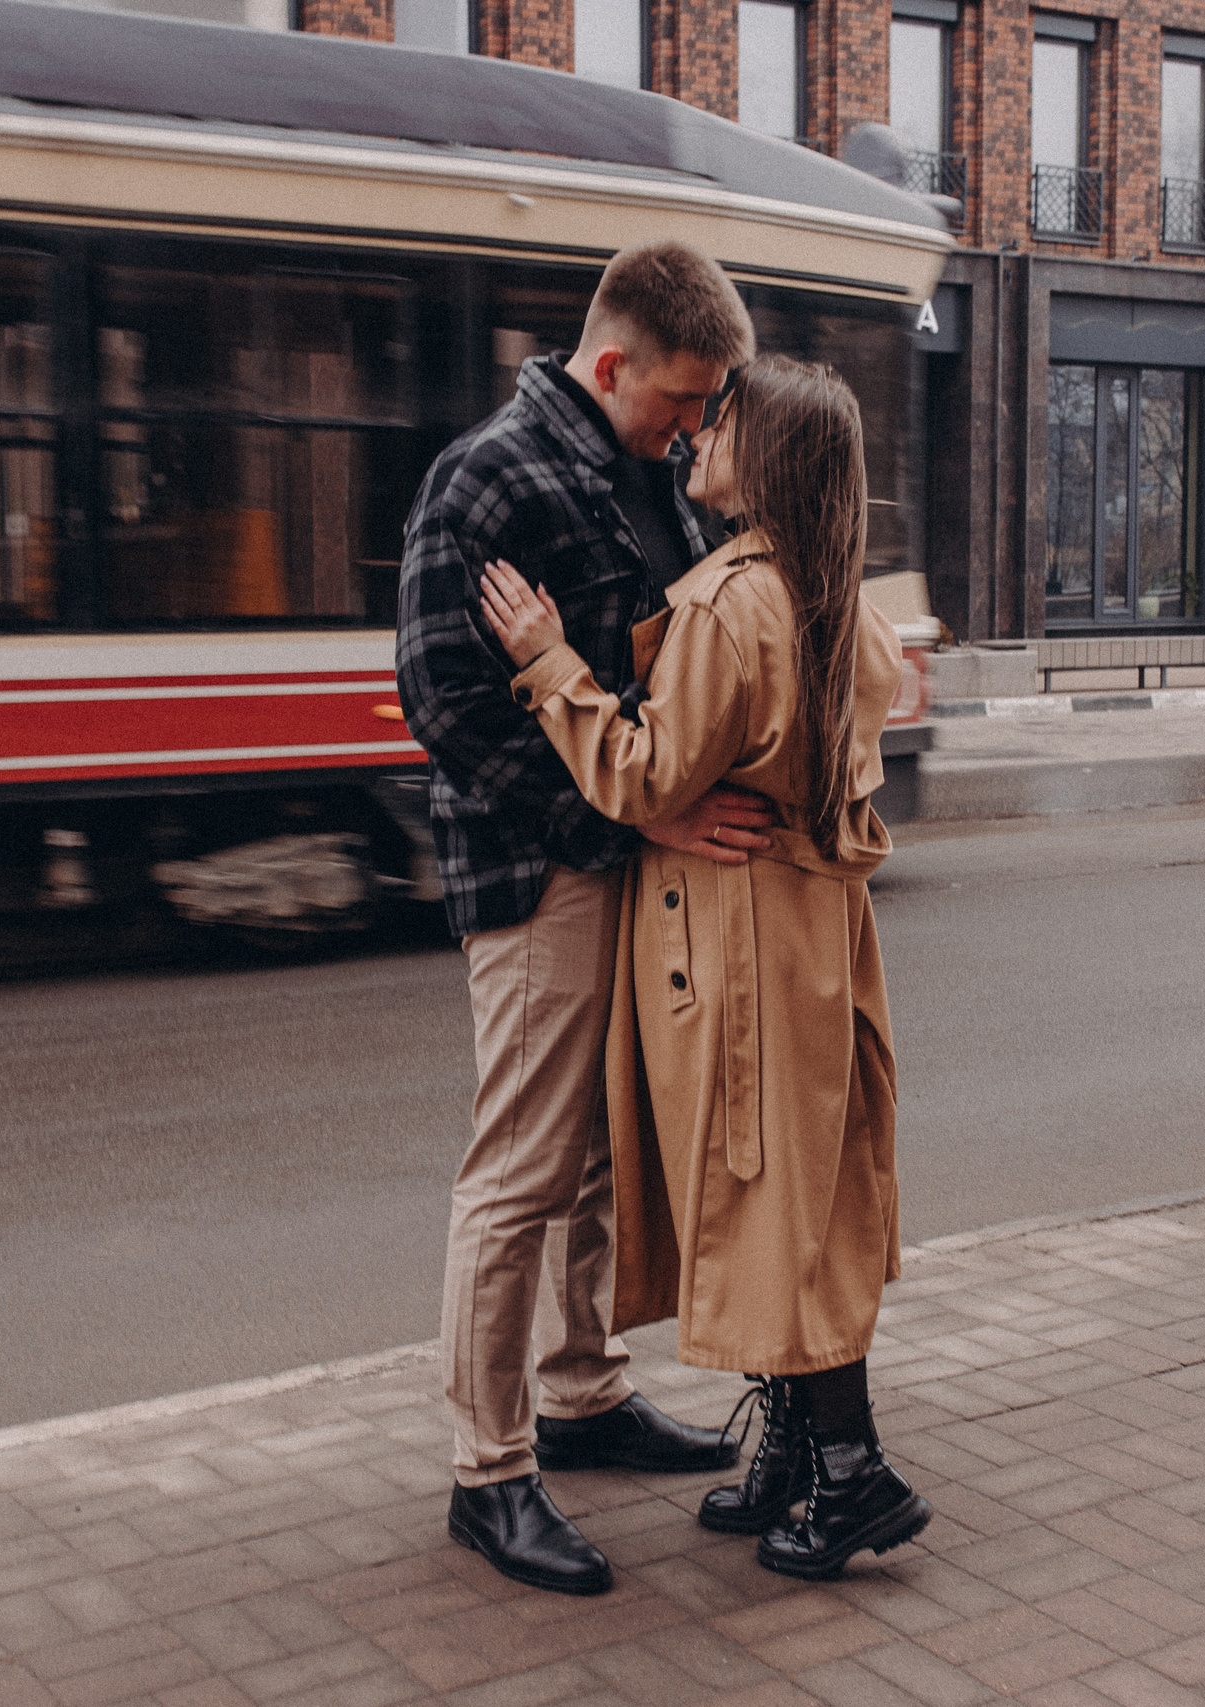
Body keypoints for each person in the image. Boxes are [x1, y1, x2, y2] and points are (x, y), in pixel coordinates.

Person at [475, 354, 931, 1581]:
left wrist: (549, 662)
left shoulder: (732, 605)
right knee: (801, 1186)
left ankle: (850, 1478)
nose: (696, 439)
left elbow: (643, 774)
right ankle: (791, 1457)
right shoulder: (841, 598)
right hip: (813, 941)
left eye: (719, 421)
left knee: (771, 1193)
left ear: (765, 453)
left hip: (732, 946)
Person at [394, 241, 780, 1597]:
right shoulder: (491, 474)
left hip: (626, 860)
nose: (695, 427)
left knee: (602, 1150)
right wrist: (628, 818)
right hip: (541, 873)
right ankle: (489, 1472)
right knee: (520, 1165)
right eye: (680, 400)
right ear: (610, 363)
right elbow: (442, 707)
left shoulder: (655, 463)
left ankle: (580, 1389)